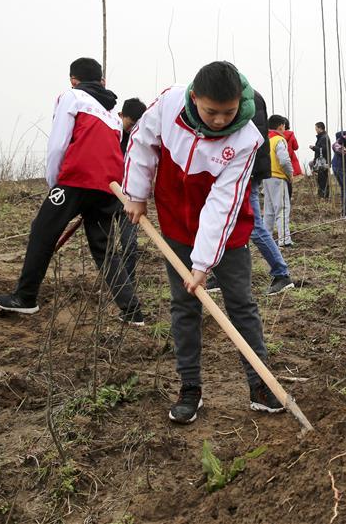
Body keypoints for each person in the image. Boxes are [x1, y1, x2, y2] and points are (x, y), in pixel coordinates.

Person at [122, 61, 284, 423]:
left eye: (228, 112)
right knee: (184, 305)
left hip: (227, 232)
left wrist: (202, 265)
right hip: (176, 226)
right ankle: (190, 388)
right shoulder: (168, 105)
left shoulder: (246, 139)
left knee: (241, 303)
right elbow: (143, 142)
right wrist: (135, 192)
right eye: (211, 111)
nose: (219, 120)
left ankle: (260, 384)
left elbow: (221, 204)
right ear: (194, 97)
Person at [0, 58, 144, 326]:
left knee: (43, 231)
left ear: (74, 80)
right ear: (102, 82)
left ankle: (25, 298)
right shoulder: (111, 112)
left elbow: (57, 144)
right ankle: (133, 312)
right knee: (105, 250)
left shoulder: (72, 96)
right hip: (109, 187)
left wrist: (55, 183)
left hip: (75, 180)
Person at [207, 91, 294, 296]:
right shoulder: (249, 97)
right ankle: (221, 276)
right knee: (226, 222)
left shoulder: (245, 101)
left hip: (246, 172)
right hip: (243, 170)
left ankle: (281, 273)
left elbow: (242, 141)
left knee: (254, 227)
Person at [117, 97, 148, 286]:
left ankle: (127, 285)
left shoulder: (141, 141)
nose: (132, 128)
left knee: (129, 243)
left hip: (129, 199)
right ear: (121, 115)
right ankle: (111, 282)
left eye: (137, 124)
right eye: (130, 123)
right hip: (105, 197)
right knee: (103, 245)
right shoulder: (110, 135)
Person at [264, 115, 294, 247]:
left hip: (266, 178)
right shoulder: (279, 140)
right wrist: (290, 173)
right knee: (282, 208)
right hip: (278, 178)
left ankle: (267, 239)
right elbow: (284, 160)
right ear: (281, 126)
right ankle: (284, 240)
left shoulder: (266, 140)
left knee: (269, 211)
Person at [310, 121, 332, 198]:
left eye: (316, 128)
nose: (315, 130)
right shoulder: (323, 137)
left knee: (323, 179)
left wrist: (314, 148)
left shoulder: (324, 137)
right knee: (321, 178)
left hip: (323, 163)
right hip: (322, 162)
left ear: (320, 128)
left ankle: (324, 195)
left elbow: (323, 150)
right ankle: (322, 194)